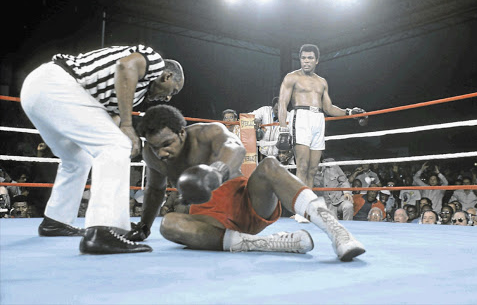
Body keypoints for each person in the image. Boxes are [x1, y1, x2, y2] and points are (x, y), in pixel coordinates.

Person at [127, 105, 365, 261]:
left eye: (166, 143)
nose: (161, 153)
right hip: (210, 222)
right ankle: (266, 244)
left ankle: (338, 233)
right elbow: (156, 190)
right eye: (155, 147)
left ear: (181, 132)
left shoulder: (208, 133)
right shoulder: (152, 154)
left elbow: (235, 147)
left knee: (270, 164)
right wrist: (144, 227)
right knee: (168, 224)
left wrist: (217, 172)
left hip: (246, 201)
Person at [20, 45, 184, 254]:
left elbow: (107, 119)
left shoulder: (135, 95)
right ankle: (103, 230)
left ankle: (56, 221)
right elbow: (125, 66)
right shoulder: (154, 61)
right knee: (116, 145)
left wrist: (124, 133)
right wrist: (126, 126)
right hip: (57, 84)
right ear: (167, 76)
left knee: (76, 159)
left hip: (38, 91)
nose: (169, 98)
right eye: (174, 91)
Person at [277, 44, 367, 188]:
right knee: (302, 166)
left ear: (316, 60)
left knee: (313, 170)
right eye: (303, 58)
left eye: (310, 58)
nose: (306, 61)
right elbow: (282, 103)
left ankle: (308, 207)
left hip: (318, 119)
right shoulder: (292, 77)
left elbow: (329, 108)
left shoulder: (322, 82)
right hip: (300, 117)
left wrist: (349, 112)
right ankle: (301, 209)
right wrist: (283, 129)